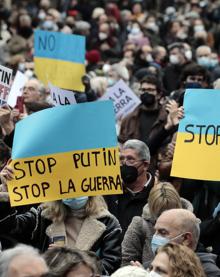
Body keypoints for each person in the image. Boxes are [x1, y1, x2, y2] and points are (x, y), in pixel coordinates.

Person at [0, 167, 122, 275]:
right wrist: (6, 192)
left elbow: (110, 266)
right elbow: (10, 227)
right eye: (68, 183)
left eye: (79, 183)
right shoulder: (43, 216)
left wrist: (68, 258)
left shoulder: (108, 223)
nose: (73, 188)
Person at [122, 182, 192, 268]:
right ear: (152, 209)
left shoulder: (190, 225)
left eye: (169, 212)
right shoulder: (140, 225)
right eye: (159, 213)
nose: (164, 217)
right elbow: (127, 262)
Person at [105, 139, 154, 236]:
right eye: (122, 159)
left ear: (145, 165)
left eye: (130, 159)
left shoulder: (157, 193)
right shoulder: (110, 189)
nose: (125, 163)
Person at [153, 209, 220, 276]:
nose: (155, 237)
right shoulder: (152, 264)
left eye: (163, 232)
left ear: (186, 239)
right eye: (154, 232)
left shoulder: (210, 273)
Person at [119, 75, 165, 145]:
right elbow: (122, 143)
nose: (146, 93)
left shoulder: (166, 118)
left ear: (159, 94)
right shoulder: (129, 119)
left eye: (150, 90)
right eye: (143, 90)